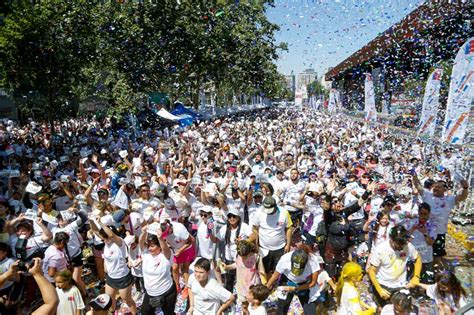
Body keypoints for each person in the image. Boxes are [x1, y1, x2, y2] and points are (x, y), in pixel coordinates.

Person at [412, 174, 469, 262]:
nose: (436, 188)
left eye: (439, 187)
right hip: (424, 230)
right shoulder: (427, 195)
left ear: (445, 189)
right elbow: (418, 186)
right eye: (435, 186)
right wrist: (415, 177)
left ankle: (436, 273)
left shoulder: (450, 199)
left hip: (439, 232)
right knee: (421, 254)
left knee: (437, 256)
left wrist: (465, 188)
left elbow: (463, 197)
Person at [90, 217, 137, 314]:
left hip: (122, 277)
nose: (104, 239)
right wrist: (90, 220)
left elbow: (110, 235)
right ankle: (112, 312)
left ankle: (134, 313)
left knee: (126, 299)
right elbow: (95, 230)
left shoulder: (120, 242)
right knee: (109, 298)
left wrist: (100, 223)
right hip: (111, 277)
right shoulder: (106, 242)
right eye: (103, 237)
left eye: (106, 237)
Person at [368, 225, 421, 308]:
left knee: (402, 309)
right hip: (383, 285)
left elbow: (417, 259)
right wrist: (379, 289)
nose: (401, 246)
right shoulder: (381, 249)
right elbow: (371, 270)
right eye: (399, 244)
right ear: (392, 239)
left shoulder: (408, 246)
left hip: (401, 285)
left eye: (403, 244)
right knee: (383, 310)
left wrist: (416, 276)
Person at [249, 196, 292, 280]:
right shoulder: (259, 212)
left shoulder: (284, 212)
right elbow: (254, 228)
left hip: (280, 247)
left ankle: (277, 286)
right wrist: (256, 244)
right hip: (264, 248)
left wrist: (288, 244)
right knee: (265, 270)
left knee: (279, 270)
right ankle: (268, 286)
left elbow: (289, 228)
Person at [266, 248, 320, 314]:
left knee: (310, 312)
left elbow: (313, 283)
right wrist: (266, 288)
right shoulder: (285, 259)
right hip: (287, 282)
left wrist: (295, 288)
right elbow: (275, 276)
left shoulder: (313, 260)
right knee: (282, 308)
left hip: (306, 285)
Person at [139, 224, 176, 315]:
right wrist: (143, 232)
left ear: (159, 246)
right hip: (151, 294)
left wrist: (160, 238)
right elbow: (141, 242)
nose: (149, 248)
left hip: (167, 293)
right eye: (149, 246)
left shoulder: (166, 256)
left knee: (168, 313)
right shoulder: (146, 254)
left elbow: (166, 250)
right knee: (146, 312)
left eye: (152, 246)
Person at [223, 240, 263, 314]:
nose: (243, 258)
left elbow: (262, 272)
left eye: (245, 257)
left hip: (253, 288)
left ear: (249, 252)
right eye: (242, 257)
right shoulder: (238, 255)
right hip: (241, 287)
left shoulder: (256, 257)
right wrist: (227, 267)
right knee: (244, 307)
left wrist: (264, 286)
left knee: (254, 308)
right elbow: (237, 264)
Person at [405, 202, 436, 284]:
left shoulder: (432, 226)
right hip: (412, 257)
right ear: (418, 213)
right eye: (421, 213)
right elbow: (404, 238)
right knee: (409, 279)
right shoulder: (412, 222)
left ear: (429, 214)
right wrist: (412, 229)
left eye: (425, 214)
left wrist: (425, 233)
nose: (423, 216)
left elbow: (431, 243)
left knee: (425, 281)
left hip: (426, 258)